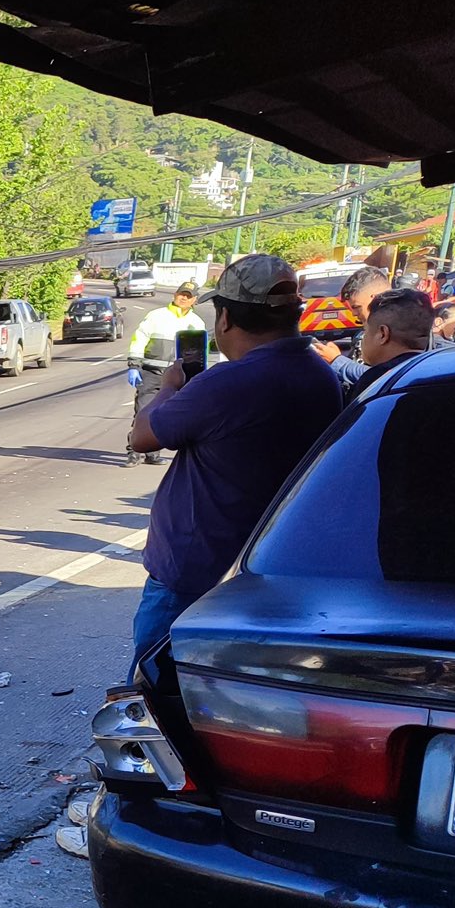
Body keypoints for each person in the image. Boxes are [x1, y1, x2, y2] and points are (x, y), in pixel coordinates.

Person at [124, 254, 342, 671]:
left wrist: (170, 387)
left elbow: (143, 436)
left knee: (159, 694)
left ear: (225, 319)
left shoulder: (227, 382)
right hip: (272, 567)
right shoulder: (319, 375)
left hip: (195, 575)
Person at [123, 281, 210, 466]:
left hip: (180, 377)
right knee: (143, 412)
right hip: (151, 373)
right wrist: (134, 365)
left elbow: (201, 352)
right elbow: (139, 340)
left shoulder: (196, 323)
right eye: (181, 294)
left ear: (194, 299)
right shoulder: (156, 316)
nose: (183, 298)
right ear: (175, 295)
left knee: (166, 414)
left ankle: (153, 453)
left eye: (188, 296)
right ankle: (134, 453)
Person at [353, 287, 433, 391]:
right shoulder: (441, 371)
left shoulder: (376, 381)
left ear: (383, 334)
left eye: (366, 330)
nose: (362, 339)